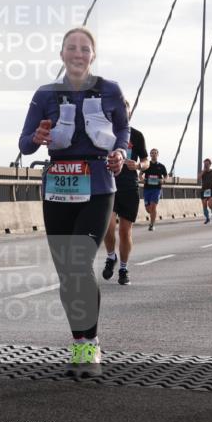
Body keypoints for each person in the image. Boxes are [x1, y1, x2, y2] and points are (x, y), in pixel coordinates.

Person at [18, 26, 128, 378]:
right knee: (67, 272)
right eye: (71, 48)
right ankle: (78, 338)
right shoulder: (45, 94)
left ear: (93, 55)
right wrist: (37, 136)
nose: (78, 54)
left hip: (97, 185)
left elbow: (122, 131)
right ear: (62, 53)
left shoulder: (110, 90)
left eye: (84, 48)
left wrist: (121, 153)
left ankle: (90, 344)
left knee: (79, 263)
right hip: (57, 188)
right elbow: (24, 144)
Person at [102, 100, 148, 286]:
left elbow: (146, 161)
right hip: (108, 185)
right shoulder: (104, 134)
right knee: (108, 225)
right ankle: (111, 256)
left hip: (129, 186)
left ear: (129, 114)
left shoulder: (136, 136)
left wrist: (138, 165)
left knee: (125, 230)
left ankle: (123, 267)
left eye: (125, 111)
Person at [142, 148, 167, 231]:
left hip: (156, 189)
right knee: (148, 209)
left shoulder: (161, 166)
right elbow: (140, 174)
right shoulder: (147, 165)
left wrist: (163, 180)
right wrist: (142, 179)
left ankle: (152, 224)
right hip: (147, 189)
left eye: (155, 153)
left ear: (157, 155)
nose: (153, 154)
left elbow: (166, 176)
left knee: (153, 207)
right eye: (152, 153)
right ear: (150, 155)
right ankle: (153, 215)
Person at [198, 158, 212, 224]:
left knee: (210, 205)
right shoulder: (203, 172)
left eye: (207, 164)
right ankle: (207, 218)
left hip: (211, 190)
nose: (206, 165)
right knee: (204, 205)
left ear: (210, 164)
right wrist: (203, 171)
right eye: (205, 164)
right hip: (204, 190)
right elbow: (198, 178)